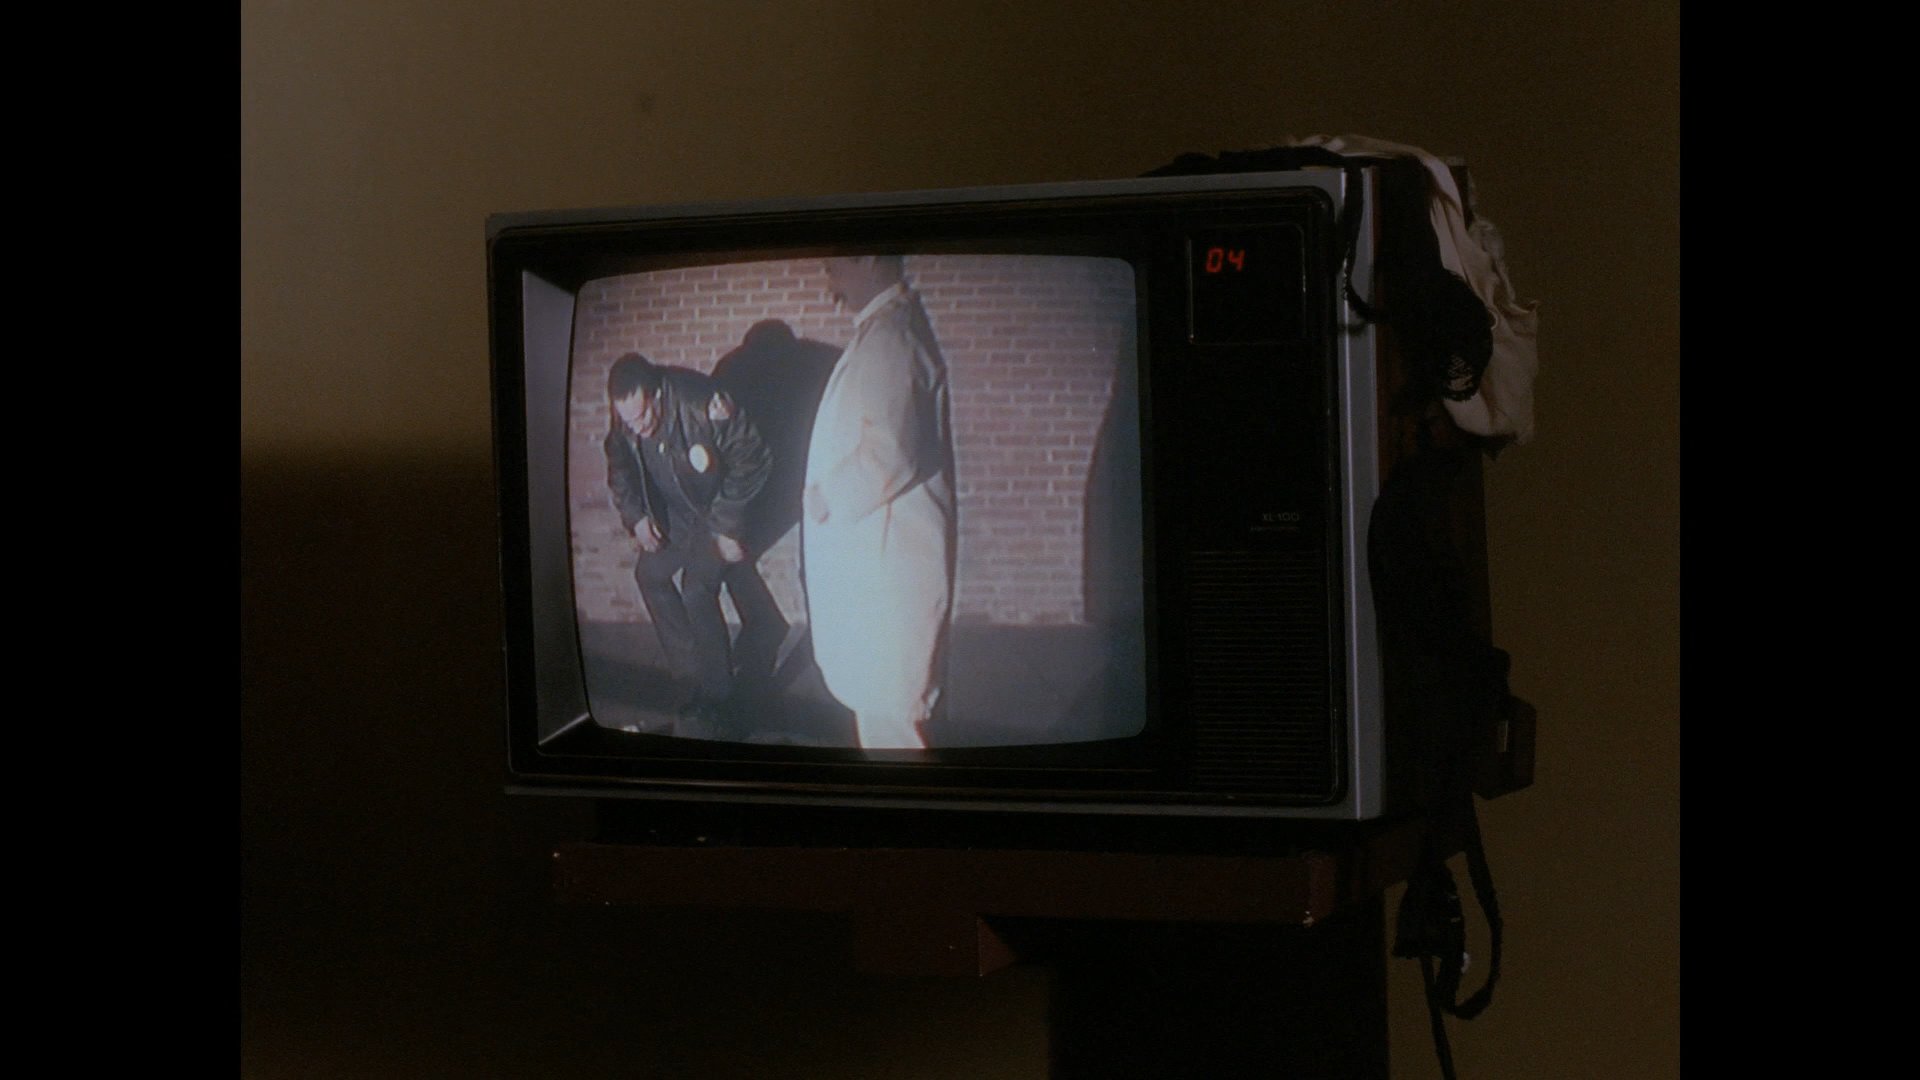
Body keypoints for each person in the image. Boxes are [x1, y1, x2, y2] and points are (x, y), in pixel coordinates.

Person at [802, 256, 956, 750]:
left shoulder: (891, 336)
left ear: (868, 260)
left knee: (893, 725)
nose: (831, 285)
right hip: (880, 561)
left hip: (890, 570)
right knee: (886, 715)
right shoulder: (885, 331)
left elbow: (891, 448)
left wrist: (826, 498)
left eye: (834, 268)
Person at [602, 352, 775, 732]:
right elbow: (619, 466)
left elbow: (753, 459)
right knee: (649, 575)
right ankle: (691, 673)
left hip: (716, 512)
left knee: (696, 588)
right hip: (677, 517)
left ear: (657, 395)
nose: (637, 429)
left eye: (643, 417)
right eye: (629, 422)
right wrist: (637, 517)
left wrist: (727, 528)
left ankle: (719, 697)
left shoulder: (701, 401)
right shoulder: (626, 417)